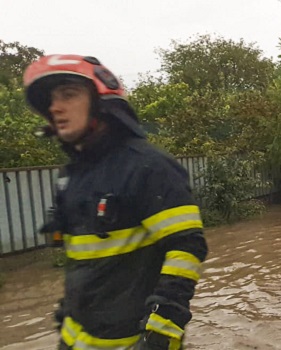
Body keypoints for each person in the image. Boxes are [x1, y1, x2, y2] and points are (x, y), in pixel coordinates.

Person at [24, 54, 208, 350]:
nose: (55, 107)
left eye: (68, 95)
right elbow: (84, 263)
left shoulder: (149, 167)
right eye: (51, 99)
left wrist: (160, 334)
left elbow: (187, 247)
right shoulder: (72, 175)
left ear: (102, 102)